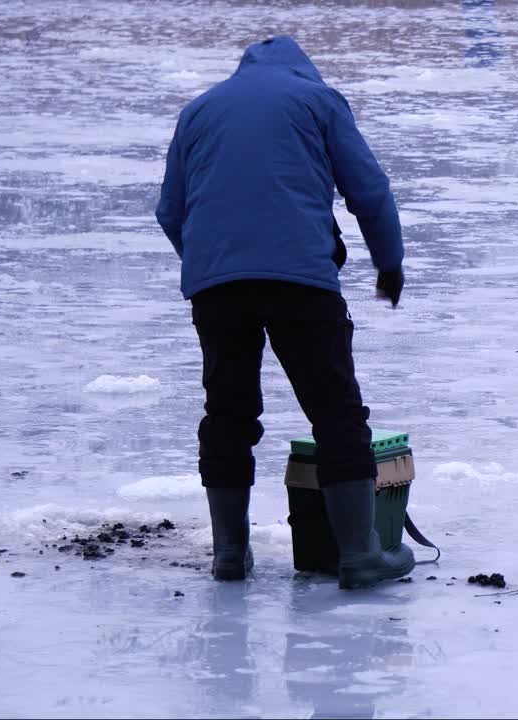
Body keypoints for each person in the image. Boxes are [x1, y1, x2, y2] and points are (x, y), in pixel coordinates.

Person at [155, 36, 414, 589]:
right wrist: (388, 263)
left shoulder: (198, 110)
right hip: (301, 280)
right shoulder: (319, 102)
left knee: (227, 413)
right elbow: (369, 190)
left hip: (217, 286)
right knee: (336, 414)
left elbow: (170, 210)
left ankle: (230, 554)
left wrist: (209, 266)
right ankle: (360, 556)